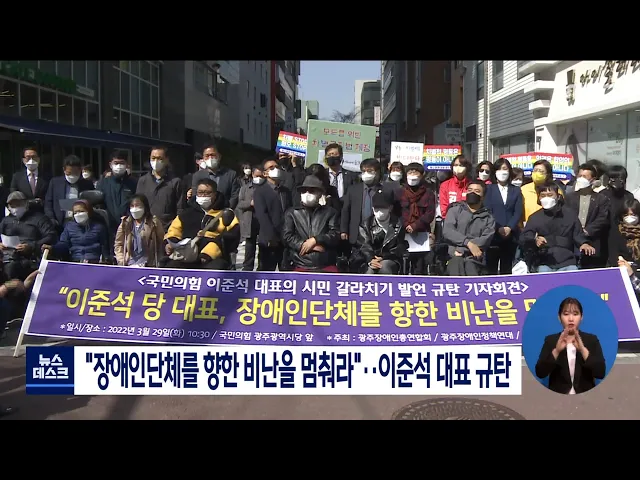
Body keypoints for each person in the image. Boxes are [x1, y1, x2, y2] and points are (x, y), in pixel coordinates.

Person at [534, 297, 606, 395]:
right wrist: (556, 351)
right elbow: (540, 373)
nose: (571, 319)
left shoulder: (591, 340)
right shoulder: (551, 341)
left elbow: (600, 373)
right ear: (559, 318)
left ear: (581, 317)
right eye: (566, 314)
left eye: (575, 314)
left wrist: (582, 349)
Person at [165, 179, 239, 270]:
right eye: (200, 192)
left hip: (213, 259)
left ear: (215, 194)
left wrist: (209, 253)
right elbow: (174, 231)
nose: (203, 195)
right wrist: (169, 244)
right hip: (187, 257)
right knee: (170, 267)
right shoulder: (186, 214)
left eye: (207, 193)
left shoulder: (226, 214)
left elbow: (231, 238)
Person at [521, 182, 595, 272]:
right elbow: (525, 236)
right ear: (539, 198)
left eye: (550, 195)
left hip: (568, 261)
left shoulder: (570, 214)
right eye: (543, 195)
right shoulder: (534, 217)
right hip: (544, 262)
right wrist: (535, 239)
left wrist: (584, 243)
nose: (546, 198)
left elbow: (578, 234)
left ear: (558, 196)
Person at [282, 175, 340, 273]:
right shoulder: (292, 213)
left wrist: (316, 240)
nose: (307, 194)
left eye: (312, 191)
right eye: (304, 191)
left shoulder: (330, 212)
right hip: (300, 262)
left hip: (325, 262)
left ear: (320, 194)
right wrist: (305, 245)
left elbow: (335, 234)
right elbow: (287, 236)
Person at [442, 180, 496, 276]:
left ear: (483, 197)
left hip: (475, 258)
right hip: (454, 255)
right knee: (456, 264)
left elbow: (485, 240)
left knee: (470, 267)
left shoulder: (489, 218)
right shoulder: (454, 210)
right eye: (470, 190)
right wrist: (468, 243)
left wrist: (462, 249)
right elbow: (448, 232)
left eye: (477, 191)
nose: (472, 193)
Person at [0, 191, 57, 281]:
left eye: (18, 204)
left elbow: (51, 235)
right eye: (12, 205)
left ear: (26, 203)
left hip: (31, 256)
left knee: (11, 267)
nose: (16, 208)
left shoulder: (39, 218)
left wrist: (32, 246)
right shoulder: (6, 221)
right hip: (8, 255)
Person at [564, 163, 610, 269]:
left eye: (584, 176)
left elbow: (602, 218)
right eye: (579, 176)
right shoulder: (569, 197)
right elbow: (566, 216)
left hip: (593, 240)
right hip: (573, 241)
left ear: (592, 179)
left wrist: (587, 230)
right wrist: (576, 231)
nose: (581, 179)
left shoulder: (601, 199)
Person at [341, 158, 395, 248]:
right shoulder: (353, 190)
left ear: (378, 172)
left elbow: (393, 213)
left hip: (378, 234)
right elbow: (346, 211)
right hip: (356, 235)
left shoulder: (386, 191)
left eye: (370, 171)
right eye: (363, 171)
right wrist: (344, 230)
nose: (366, 174)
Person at [484, 157, 523, 274]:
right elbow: (487, 210)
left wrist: (509, 227)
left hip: (510, 235)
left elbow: (518, 211)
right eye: (499, 169)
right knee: (491, 268)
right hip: (493, 234)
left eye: (505, 169)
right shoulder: (488, 189)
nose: (502, 172)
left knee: (507, 267)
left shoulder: (516, 190)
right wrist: (498, 228)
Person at [253, 157, 293, 271]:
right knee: (266, 271)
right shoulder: (260, 191)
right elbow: (262, 215)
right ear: (265, 173)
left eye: (276, 167)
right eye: (271, 168)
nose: (275, 169)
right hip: (269, 239)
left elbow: (290, 210)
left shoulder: (285, 191)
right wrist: (271, 237)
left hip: (285, 237)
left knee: (286, 270)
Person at [350, 191, 405, 274]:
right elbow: (364, 246)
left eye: (383, 208)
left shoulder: (398, 224)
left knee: (385, 267)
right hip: (368, 259)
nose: (379, 211)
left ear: (390, 208)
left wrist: (384, 257)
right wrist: (371, 259)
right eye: (376, 208)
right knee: (369, 271)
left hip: (391, 258)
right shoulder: (365, 225)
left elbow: (399, 247)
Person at [42, 200, 109, 263]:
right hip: (75, 261)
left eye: (81, 211)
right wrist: (52, 248)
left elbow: (105, 248)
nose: (78, 214)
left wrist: (106, 260)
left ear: (89, 212)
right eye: (75, 212)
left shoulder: (99, 227)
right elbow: (63, 244)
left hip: (94, 262)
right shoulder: (69, 227)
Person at [398, 162, 436, 274]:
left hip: (421, 233)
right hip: (403, 233)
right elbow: (397, 212)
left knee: (419, 266)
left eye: (415, 173)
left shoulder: (428, 193)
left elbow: (430, 213)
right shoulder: (400, 192)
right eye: (410, 172)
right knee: (403, 265)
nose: (412, 175)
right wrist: (406, 225)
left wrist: (415, 225)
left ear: (422, 175)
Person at [136, 146, 185, 232]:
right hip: (146, 230)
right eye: (153, 158)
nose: (156, 161)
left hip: (167, 230)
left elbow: (180, 209)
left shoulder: (175, 182)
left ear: (167, 160)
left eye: (159, 158)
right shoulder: (143, 181)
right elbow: (137, 205)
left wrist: (175, 229)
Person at [45, 155, 94, 231]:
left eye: (75, 173)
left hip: (81, 223)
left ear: (80, 170)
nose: (72, 176)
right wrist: (51, 219)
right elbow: (48, 203)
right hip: (59, 224)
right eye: (69, 173)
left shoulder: (87, 184)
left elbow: (92, 204)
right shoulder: (55, 183)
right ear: (64, 170)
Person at [114, 195, 165, 267]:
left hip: (149, 264)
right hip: (130, 263)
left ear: (145, 207)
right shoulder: (125, 223)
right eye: (132, 206)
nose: (134, 209)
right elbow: (119, 244)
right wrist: (122, 260)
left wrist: (158, 260)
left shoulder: (153, 222)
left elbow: (161, 241)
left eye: (138, 206)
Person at [97, 150, 137, 238]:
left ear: (127, 164)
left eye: (122, 163)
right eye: (116, 163)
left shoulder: (134, 183)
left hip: (129, 228)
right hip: (108, 228)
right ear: (110, 164)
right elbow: (99, 205)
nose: (119, 166)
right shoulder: (103, 183)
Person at [191, 143, 240, 209]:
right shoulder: (197, 176)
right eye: (207, 156)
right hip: (203, 212)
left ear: (219, 156)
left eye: (213, 155)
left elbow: (234, 196)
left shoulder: (231, 174)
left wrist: (227, 210)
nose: (210, 158)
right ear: (203, 158)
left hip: (224, 211)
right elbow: (195, 196)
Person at [236, 165, 264, 271]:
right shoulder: (245, 188)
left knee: (263, 246)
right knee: (250, 246)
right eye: (257, 175)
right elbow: (240, 204)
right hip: (250, 219)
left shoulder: (267, 187)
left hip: (263, 220)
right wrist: (250, 203)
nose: (259, 178)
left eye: (261, 176)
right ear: (252, 174)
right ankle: (247, 268)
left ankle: (261, 268)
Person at [10, 146, 50, 212]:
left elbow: (50, 197)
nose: (31, 160)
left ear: (38, 159)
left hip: (42, 212)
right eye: (28, 157)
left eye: (34, 157)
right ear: (23, 160)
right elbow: (14, 196)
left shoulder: (47, 177)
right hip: (23, 212)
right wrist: (29, 202)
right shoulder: (17, 177)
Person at [608, 198, 640, 267]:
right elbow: (613, 256)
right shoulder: (616, 232)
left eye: (633, 215)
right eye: (626, 215)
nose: (629, 218)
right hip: (622, 269)